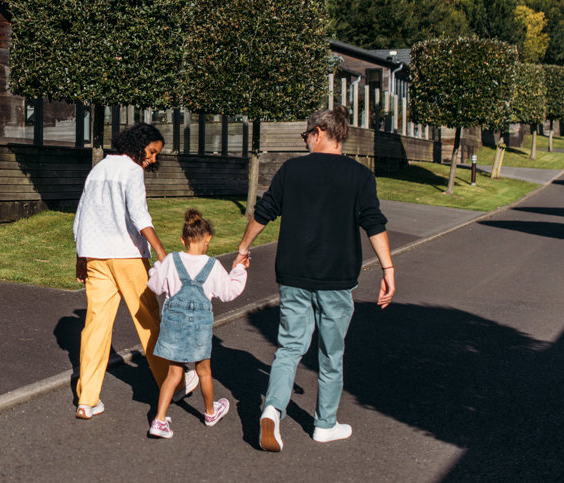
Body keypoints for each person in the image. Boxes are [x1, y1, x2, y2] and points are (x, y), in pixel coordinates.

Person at [235, 105, 395, 451]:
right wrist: (388, 269)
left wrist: (244, 246)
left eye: (306, 134)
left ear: (320, 132)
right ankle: (324, 424)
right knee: (330, 354)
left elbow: (265, 211)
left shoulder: (292, 170)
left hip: (293, 275)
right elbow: (373, 222)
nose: (305, 140)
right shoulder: (359, 175)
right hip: (337, 279)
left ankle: (273, 409)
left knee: (290, 347)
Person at [73, 123, 198, 420]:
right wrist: (162, 252)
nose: (154, 158)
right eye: (152, 152)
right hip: (127, 257)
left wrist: (81, 256)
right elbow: (139, 216)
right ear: (138, 144)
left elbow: (82, 214)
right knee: (148, 321)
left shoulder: (99, 169)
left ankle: (87, 400)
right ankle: (175, 383)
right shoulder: (131, 171)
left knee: (95, 328)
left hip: (96, 257)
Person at [145, 209, 248, 438]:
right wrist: (239, 269)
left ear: (183, 240)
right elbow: (229, 292)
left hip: (174, 324)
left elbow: (155, 286)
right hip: (199, 327)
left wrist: (156, 268)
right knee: (204, 371)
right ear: (208, 239)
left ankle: (159, 420)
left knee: (173, 373)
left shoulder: (171, 260)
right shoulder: (212, 266)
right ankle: (210, 412)